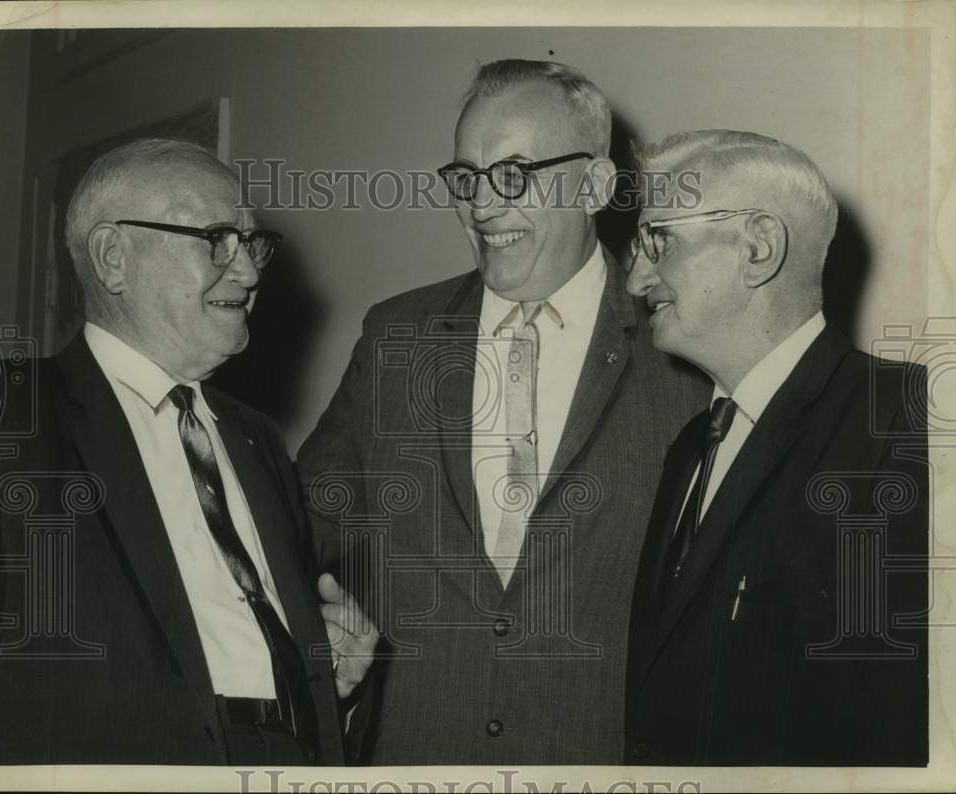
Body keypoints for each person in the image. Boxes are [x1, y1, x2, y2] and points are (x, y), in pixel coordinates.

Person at [296, 59, 708, 764]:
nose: (483, 205)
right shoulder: (396, 336)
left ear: (595, 185)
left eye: (515, 174)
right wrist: (314, 636)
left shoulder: (685, 349)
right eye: (466, 177)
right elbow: (300, 526)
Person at [0, 138, 376, 765]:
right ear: (114, 258)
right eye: (217, 238)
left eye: (252, 244)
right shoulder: (2, 415)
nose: (247, 271)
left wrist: (324, 688)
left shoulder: (258, 441)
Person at [623, 129, 929, 765]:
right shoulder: (691, 446)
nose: (634, 277)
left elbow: (905, 726)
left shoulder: (903, 422)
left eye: (659, 239)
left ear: (757, 249)